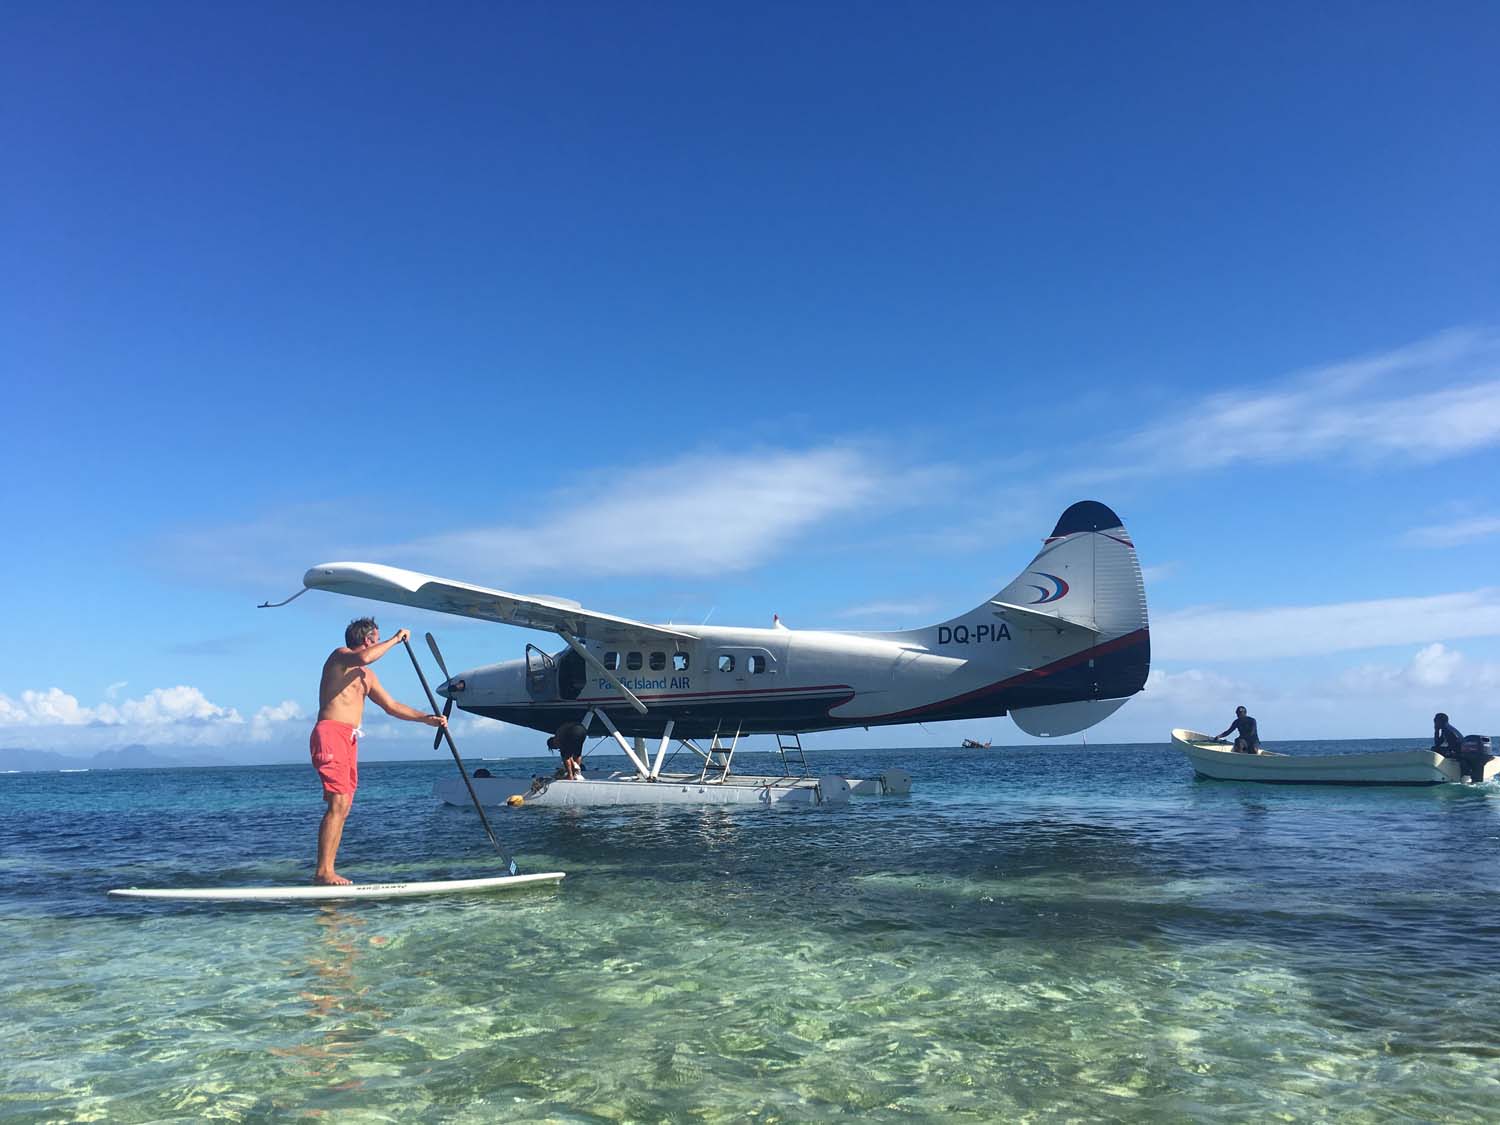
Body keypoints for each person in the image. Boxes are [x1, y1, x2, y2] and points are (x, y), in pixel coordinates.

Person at [310, 617, 446, 885]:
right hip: (331, 733)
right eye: (377, 639)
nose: (379, 642)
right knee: (338, 803)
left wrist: (426, 719)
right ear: (367, 639)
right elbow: (366, 657)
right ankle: (324, 872)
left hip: (350, 739)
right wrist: (396, 639)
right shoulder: (340, 657)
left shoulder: (367, 676)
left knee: (344, 806)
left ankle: (327, 870)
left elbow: (392, 706)